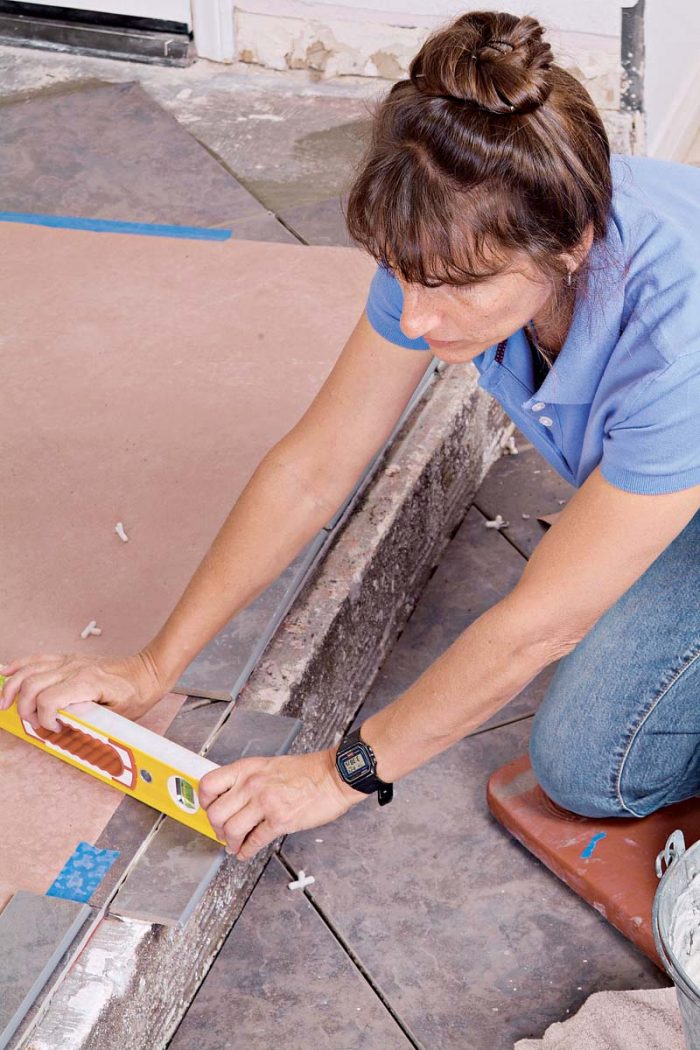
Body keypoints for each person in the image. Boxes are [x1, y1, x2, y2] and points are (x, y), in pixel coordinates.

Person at [2, 10, 699, 860]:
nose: (414, 315)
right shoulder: (458, 226)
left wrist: (340, 774)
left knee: (591, 765)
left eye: (452, 289)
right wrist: (153, 666)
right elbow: (314, 466)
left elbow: (539, 627)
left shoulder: (676, 344)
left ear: (571, 245)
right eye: (402, 275)